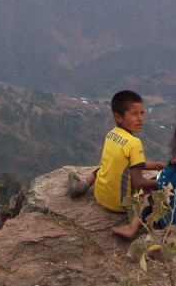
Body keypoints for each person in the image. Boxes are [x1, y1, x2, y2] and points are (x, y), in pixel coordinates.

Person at [66, 90, 165, 232]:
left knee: (105, 165)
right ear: (118, 117)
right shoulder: (134, 143)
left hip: (100, 196)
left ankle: (82, 185)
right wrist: (163, 181)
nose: (140, 119)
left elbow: (130, 164)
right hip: (122, 205)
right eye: (134, 114)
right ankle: (132, 227)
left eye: (142, 113)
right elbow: (139, 182)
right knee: (152, 189)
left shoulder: (111, 134)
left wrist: (158, 165)